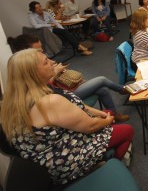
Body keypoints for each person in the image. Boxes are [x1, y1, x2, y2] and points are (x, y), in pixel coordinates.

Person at [0, 49, 134, 185]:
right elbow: (90, 126)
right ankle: (107, 168)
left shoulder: (15, 101)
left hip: (48, 157)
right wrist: (107, 120)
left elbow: (77, 107)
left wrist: (100, 114)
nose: (52, 62)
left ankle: (102, 161)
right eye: (46, 62)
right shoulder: (49, 102)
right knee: (127, 130)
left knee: (106, 109)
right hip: (65, 159)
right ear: (33, 73)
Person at [6, 34, 130, 122]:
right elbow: (47, 90)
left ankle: (113, 115)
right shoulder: (27, 74)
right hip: (64, 96)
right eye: (38, 50)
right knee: (102, 79)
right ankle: (123, 90)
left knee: (102, 89)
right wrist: (55, 72)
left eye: (42, 49)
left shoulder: (36, 64)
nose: (42, 52)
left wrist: (55, 69)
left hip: (66, 90)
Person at [28, 1, 92, 56]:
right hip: (42, 34)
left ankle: (79, 47)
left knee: (65, 32)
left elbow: (55, 22)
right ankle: (80, 47)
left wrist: (62, 29)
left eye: (40, 6)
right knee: (66, 35)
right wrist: (49, 24)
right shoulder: (31, 16)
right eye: (37, 8)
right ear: (33, 10)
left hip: (51, 30)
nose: (39, 8)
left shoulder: (46, 13)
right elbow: (35, 26)